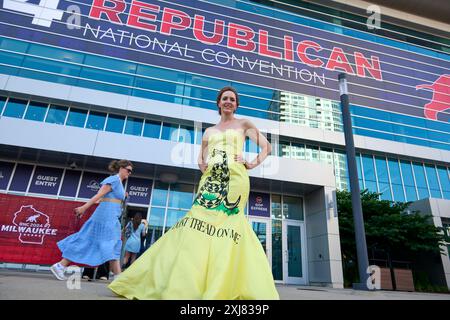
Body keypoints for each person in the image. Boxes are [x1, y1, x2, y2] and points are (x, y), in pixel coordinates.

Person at [109, 87, 279, 299]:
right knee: (194, 225)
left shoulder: (244, 124)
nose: (228, 102)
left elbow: (267, 147)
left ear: (236, 105)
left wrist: (250, 163)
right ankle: (186, 282)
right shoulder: (209, 131)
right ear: (218, 103)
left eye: (232, 100)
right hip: (210, 182)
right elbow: (201, 159)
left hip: (236, 180)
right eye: (225, 98)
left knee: (228, 227)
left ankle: (223, 283)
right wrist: (206, 170)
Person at [50, 160, 133, 281]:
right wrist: (84, 207)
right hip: (104, 217)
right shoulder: (113, 180)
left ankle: (60, 265)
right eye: (128, 170)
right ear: (121, 168)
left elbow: (109, 198)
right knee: (105, 242)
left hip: (111, 218)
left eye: (131, 171)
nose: (129, 173)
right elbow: (99, 195)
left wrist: (123, 196)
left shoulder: (119, 183)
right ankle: (118, 278)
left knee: (106, 243)